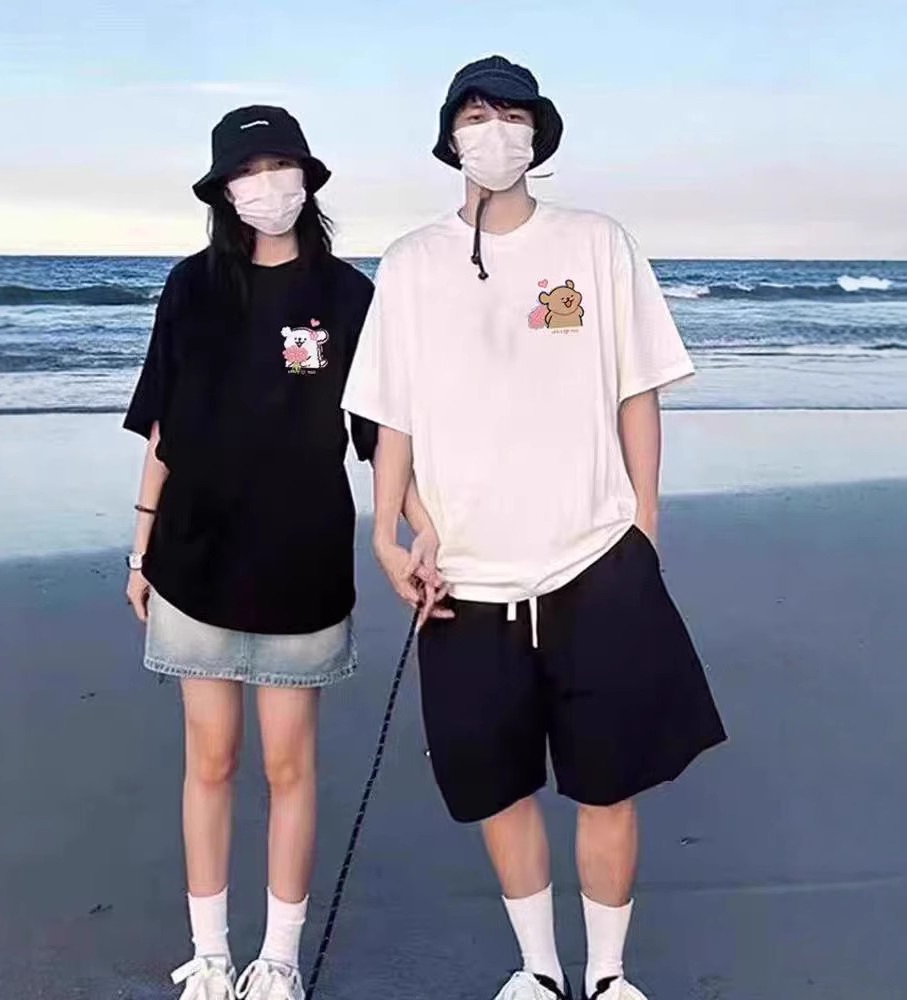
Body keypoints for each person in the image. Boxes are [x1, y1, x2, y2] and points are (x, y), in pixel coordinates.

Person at [342, 56, 727, 1000]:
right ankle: (540, 971)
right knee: (500, 787)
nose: (494, 132)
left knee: (608, 784)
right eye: (476, 116)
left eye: (511, 115)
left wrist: (644, 525)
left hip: (595, 560)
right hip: (465, 579)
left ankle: (608, 974)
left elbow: (637, 388)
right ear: (451, 138)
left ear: (537, 134)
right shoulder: (411, 262)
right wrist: (390, 531)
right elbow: (391, 416)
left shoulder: (595, 243)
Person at [123, 105, 376, 1000]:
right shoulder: (191, 287)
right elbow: (163, 424)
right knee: (211, 759)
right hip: (194, 557)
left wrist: (417, 528)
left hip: (304, 562)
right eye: (248, 171)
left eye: (280, 167)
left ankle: (279, 958)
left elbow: (384, 437)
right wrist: (141, 545)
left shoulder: (348, 296)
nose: (266, 186)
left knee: (288, 765)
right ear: (224, 191)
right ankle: (211, 954)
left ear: (306, 179)